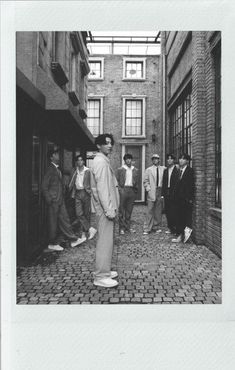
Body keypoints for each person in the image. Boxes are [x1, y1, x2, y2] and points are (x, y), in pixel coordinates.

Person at [90, 134, 120, 288]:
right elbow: (102, 189)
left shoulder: (101, 160)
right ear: (98, 146)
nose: (109, 146)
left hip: (104, 207)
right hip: (104, 208)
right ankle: (101, 276)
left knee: (106, 241)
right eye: (106, 143)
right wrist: (109, 210)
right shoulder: (101, 162)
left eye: (110, 143)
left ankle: (104, 270)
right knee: (104, 242)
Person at [42, 149, 84, 251]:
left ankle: (73, 239)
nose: (59, 156)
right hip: (54, 201)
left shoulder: (57, 169)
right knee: (53, 223)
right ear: (51, 157)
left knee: (65, 220)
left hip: (60, 200)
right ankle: (52, 243)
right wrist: (50, 200)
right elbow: (44, 186)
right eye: (56, 154)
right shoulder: (50, 169)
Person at [68, 154, 97, 243]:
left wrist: (91, 192)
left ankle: (84, 233)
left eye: (81, 160)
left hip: (86, 193)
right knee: (79, 214)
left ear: (83, 161)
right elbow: (71, 180)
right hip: (77, 193)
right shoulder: (74, 171)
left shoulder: (88, 171)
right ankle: (90, 229)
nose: (80, 162)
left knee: (86, 214)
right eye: (78, 160)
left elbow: (92, 182)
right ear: (76, 162)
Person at [172, 153, 194, 243]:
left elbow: (191, 185)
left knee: (186, 218)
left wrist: (189, 198)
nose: (180, 160)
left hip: (185, 199)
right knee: (179, 218)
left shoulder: (190, 171)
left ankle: (186, 237)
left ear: (187, 161)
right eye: (180, 158)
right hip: (178, 199)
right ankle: (180, 236)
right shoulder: (179, 171)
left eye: (183, 159)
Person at [143, 154, 166, 234]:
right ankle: (147, 228)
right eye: (153, 159)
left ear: (159, 160)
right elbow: (145, 181)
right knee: (150, 210)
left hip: (160, 190)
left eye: (156, 159)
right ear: (152, 160)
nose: (155, 160)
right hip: (152, 190)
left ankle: (156, 226)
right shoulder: (148, 170)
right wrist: (148, 189)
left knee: (158, 210)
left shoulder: (163, 169)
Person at [116, 153, 138, 235]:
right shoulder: (120, 169)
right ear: (124, 160)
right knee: (121, 210)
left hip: (131, 190)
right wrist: (120, 190)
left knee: (129, 210)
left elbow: (137, 182)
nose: (128, 160)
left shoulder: (135, 170)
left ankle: (127, 227)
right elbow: (116, 181)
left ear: (132, 160)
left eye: (130, 159)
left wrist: (135, 191)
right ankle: (121, 228)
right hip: (123, 189)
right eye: (127, 159)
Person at [162, 154, 179, 234]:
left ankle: (175, 228)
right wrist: (163, 194)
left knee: (174, 210)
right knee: (168, 210)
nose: (169, 160)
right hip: (167, 192)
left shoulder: (177, 170)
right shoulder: (165, 170)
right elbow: (164, 183)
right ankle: (170, 227)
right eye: (168, 159)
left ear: (174, 160)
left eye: (171, 159)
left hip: (174, 192)